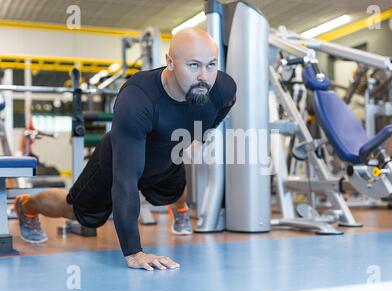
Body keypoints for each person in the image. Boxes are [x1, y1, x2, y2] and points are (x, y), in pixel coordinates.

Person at [13, 27, 237, 271]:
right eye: (193, 65)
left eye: (211, 65)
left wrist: (204, 131)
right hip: (116, 162)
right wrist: (134, 252)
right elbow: (125, 180)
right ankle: (27, 206)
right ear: (170, 62)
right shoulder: (137, 99)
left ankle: (179, 208)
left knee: (176, 187)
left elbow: (226, 105)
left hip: (166, 154)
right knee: (76, 211)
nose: (204, 75)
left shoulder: (222, 88)